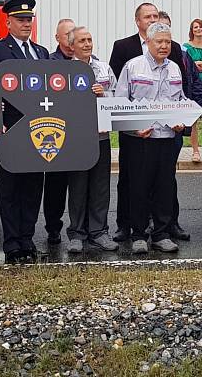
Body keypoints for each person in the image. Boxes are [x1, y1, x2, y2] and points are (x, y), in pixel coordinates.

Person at [0, 0, 50, 264]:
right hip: (9, 129)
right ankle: (12, 244)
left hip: (38, 129)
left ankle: (27, 239)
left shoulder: (41, 52)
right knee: (10, 190)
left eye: (28, 19)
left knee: (33, 188)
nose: (26, 24)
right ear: (7, 21)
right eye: (20, 20)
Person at [108, 3, 187, 242]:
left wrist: (181, 121)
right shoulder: (133, 66)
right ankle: (139, 235)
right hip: (140, 139)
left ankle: (162, 234)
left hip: (166, 138)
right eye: (159, 42)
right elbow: (119, 102)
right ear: (148, 43)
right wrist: (133, 128)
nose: (164, 46)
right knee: (138, 189)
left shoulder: (174, 68)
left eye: (167, 42)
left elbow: (180, 99)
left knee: (164, 188)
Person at [64, 26, 119, 254]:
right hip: (76, 138)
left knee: (100, 186)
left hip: (101, 136)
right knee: (77, 187)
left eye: (89, 39)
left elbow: (118, 95)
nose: (87, 44)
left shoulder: (104, 68)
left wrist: (103, 95)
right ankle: (76, 234)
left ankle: (99, 232)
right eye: (82, 41)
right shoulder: (63, 71)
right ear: (71, 46)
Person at [158, 11, 202, 242]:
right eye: (158, 29)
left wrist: (194, 111)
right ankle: (145, 224)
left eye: (166, 29)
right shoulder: (138, 60)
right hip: (147, 130)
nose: (163, 37)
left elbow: (194, 82)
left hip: (174, 128)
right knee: (146, 179)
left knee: (168, 178)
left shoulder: (180, 52)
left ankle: (171, 223)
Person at [43, 17, 76, 248]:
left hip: (78, 132)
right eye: (67, 35)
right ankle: (53, 227)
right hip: (55, 132)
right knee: (55, 185)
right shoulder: (48, 61)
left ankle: (79, 228)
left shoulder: (84, 62)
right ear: (57, 38)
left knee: (77, 185)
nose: (72, 39)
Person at [184, 18, 202, 162]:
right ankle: (195, 151)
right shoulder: (186, 47)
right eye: (195, 27)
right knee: (194, 120)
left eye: (201, 27)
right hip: (194, 85)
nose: (198, 29)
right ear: (191, 30)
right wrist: (198, 65)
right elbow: (190, 66)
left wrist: (201, 64)